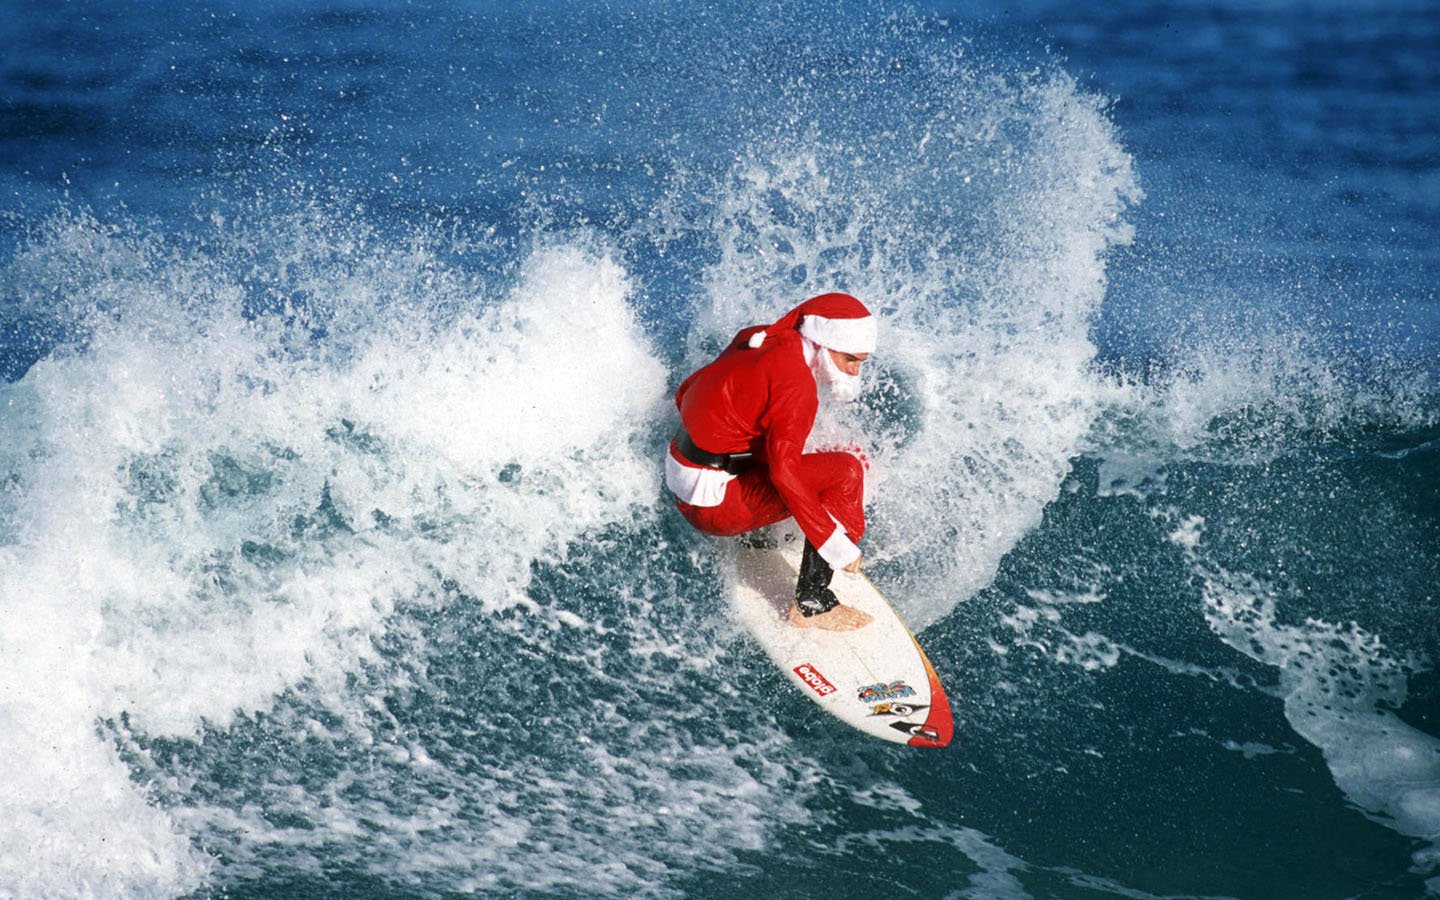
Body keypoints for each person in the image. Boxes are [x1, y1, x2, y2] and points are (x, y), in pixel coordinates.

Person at [666, 292, 877, 631]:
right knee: (847, 471)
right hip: (712, 508)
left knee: (784, 447)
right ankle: (813, 603)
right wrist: (835, 545)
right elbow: (784, 473)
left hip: (681, 470)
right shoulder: (797, 387)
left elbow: (687, 390)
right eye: (850, 359)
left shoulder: (757, 337)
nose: (854, 372)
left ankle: (758, 535)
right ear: (824, 343)